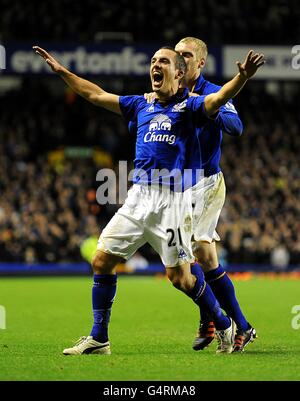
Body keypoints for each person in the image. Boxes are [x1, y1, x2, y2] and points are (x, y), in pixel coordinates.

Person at [33, 45, 264, 355]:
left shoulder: (190, 106)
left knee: (180, 278)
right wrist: (62, 72)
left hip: (173, 201)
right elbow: (96, 95)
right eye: (153, 60)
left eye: (163, 61)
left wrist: (242, 78)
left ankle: (223, 323)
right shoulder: (141, 104)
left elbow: (218, 100)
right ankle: (99, 338)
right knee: (101, 260)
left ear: (179, 73)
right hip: (138, 197)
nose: (156, 65)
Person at [174, 37, 257, 352]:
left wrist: (213, 109)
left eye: (186, 55)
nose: (180, 60)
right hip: (179, 186)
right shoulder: (171, 91)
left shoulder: (212, 92)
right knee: (204, 258)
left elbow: (236, 127)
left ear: (200, 63)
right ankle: (228, 321)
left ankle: (219, 320)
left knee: (188, 255)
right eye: (177, 54)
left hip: (206, 184)